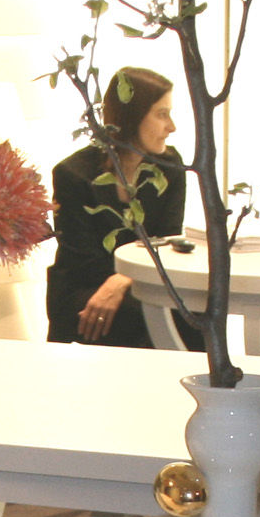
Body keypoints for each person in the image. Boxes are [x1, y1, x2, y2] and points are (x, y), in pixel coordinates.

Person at [47, 66, 189, 348]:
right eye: (162, 114)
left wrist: (123, 279)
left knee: (194, 314)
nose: (171, 127)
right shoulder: (73, 174)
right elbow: (83, 261)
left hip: (141, 282)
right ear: (132, 116)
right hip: (85, 288)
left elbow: (166, 242)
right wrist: (120, 282)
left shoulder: (170, 167)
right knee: (144, 316)